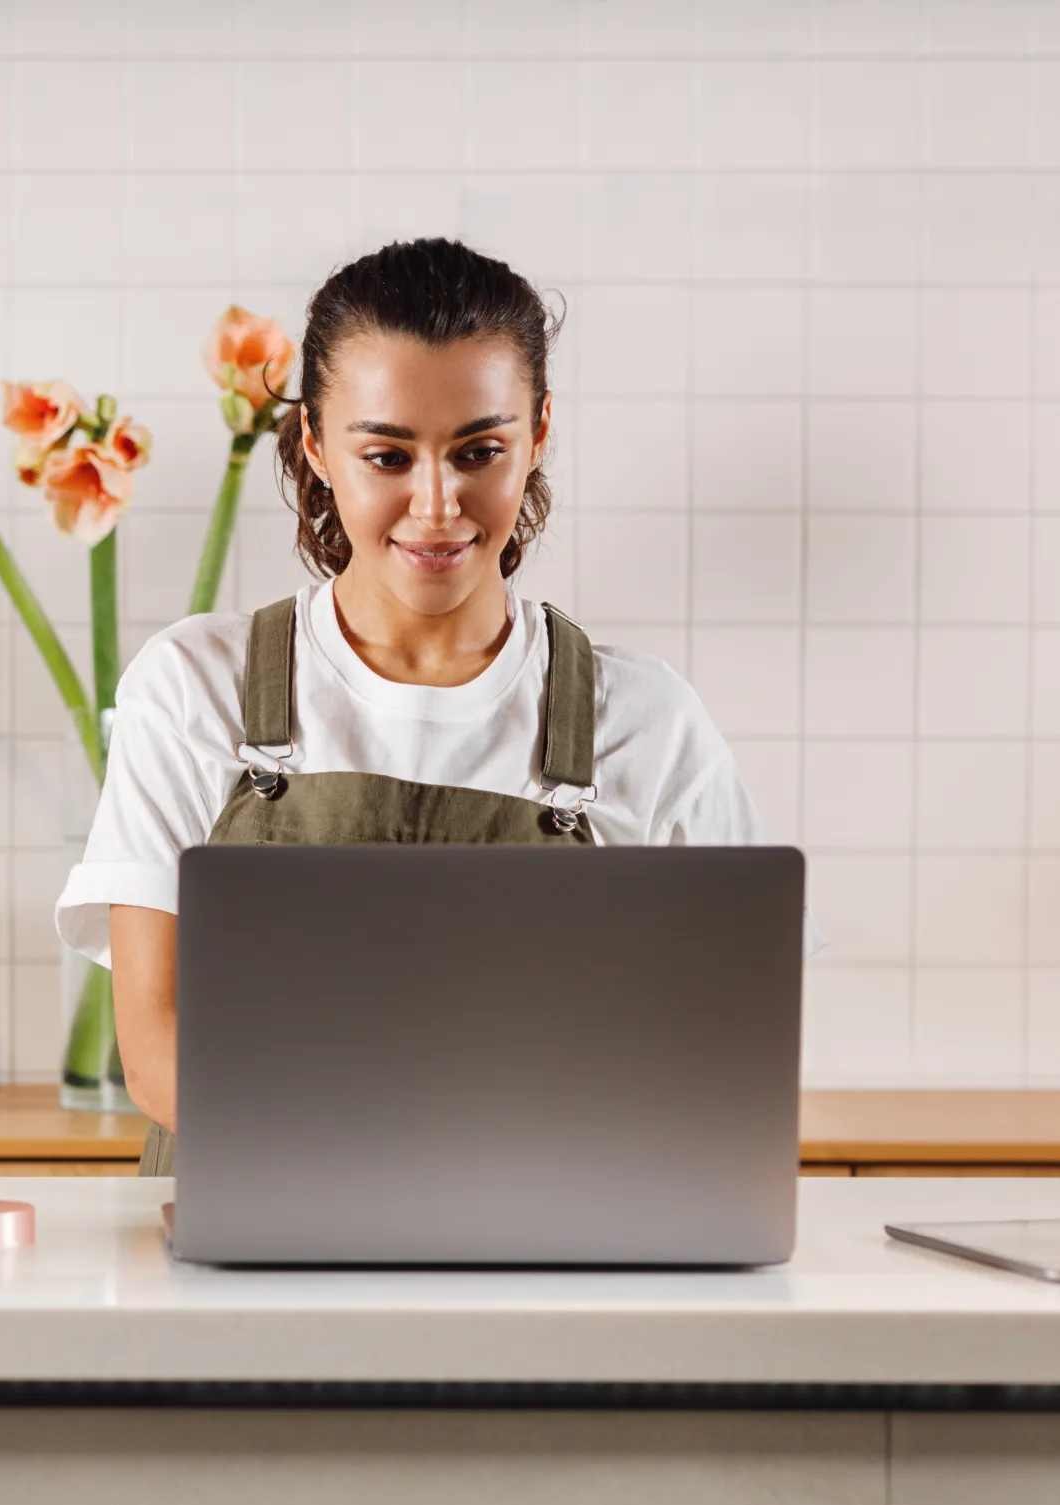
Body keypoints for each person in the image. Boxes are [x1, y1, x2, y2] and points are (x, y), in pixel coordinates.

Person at [56, 237, 820, 1178]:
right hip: (248, 1253)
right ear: (314, 444)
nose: (436, 506)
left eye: (480, 451)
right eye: (385, 454)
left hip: (548, 1253)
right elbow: (158, 1049)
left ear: (540, 433)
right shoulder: (194, 687)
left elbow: (728, 1056)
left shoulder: (647, 720)